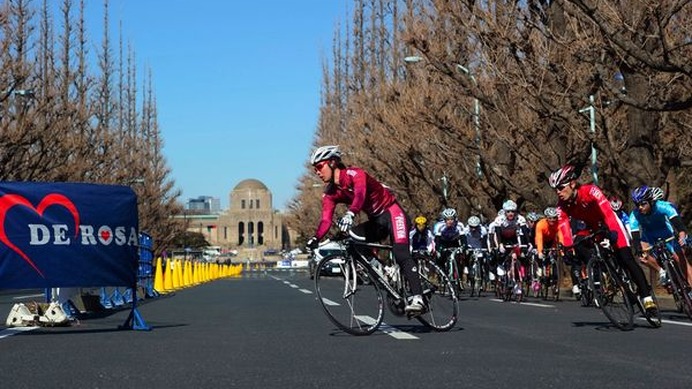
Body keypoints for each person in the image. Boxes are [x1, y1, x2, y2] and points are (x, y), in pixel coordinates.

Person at [305, 145, 425, 313]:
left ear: (332, 163)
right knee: (354, 238)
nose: (317, 172)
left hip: (392, 212)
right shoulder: (330, 193)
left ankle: (419, 298)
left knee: (401, 253)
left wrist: (351, 214)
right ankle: (386, 270)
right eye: (315, 169)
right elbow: (326, 220)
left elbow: (360, 195)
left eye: (319, 167)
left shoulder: (355, 174)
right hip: (376, 221)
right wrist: (315, 238)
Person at [548, 164, 658, 315]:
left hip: (609, 222)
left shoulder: (590, 190)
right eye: (556, 190)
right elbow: (564, 226)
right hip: (591, 227)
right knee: (579, 244)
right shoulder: (562, 206)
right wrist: (567, 247)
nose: (558, 192)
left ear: (572, 184)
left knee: (626, 258)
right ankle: (610, 275)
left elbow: (607, 212)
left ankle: (646, 297)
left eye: (561, 187)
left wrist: (612, 231)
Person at [628, 185, 691, 285]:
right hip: (649, 237)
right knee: (642, 257)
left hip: (666, 234)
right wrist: (637, 248)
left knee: (679, 258)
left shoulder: (662, 206)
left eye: (643, 204)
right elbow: (635, 236)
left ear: (651, 201)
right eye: (637, 205)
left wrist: (682, 236)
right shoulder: (634, 215)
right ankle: (661, 271)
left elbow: (679, 225)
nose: (640, 207)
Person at [433, 208, 465, 273]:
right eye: (447, 219)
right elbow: (437, 239)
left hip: (454, 242)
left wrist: (464, 246)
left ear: (455, 219)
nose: (450, 221)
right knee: (440, 257)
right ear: (444, 220)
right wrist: (438, 249)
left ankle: (459, 276)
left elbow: (463, 238)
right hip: (443, 242)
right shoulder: (439, 226)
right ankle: (442, 274)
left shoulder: (460, 225)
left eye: (451, 219)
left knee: (459, 259)